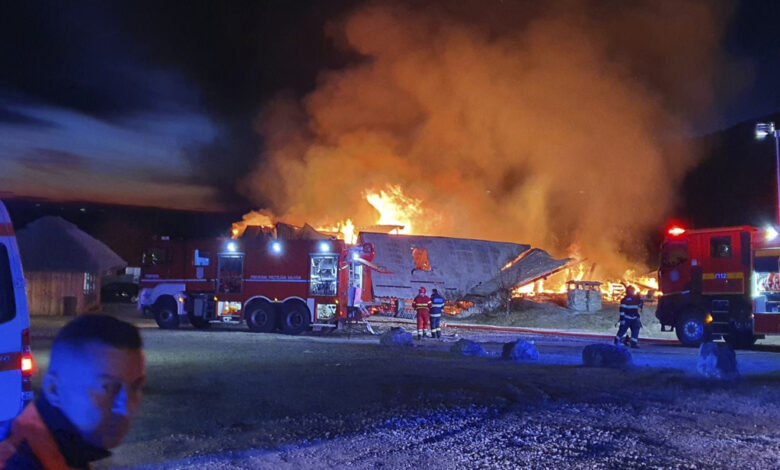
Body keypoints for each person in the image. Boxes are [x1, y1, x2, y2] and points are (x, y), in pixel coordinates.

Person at [0, 315, 146, 469]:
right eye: (108, 388)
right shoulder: (20, 462)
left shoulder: (67, 449)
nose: (127, 407)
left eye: (135, 386)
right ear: (53, 389)